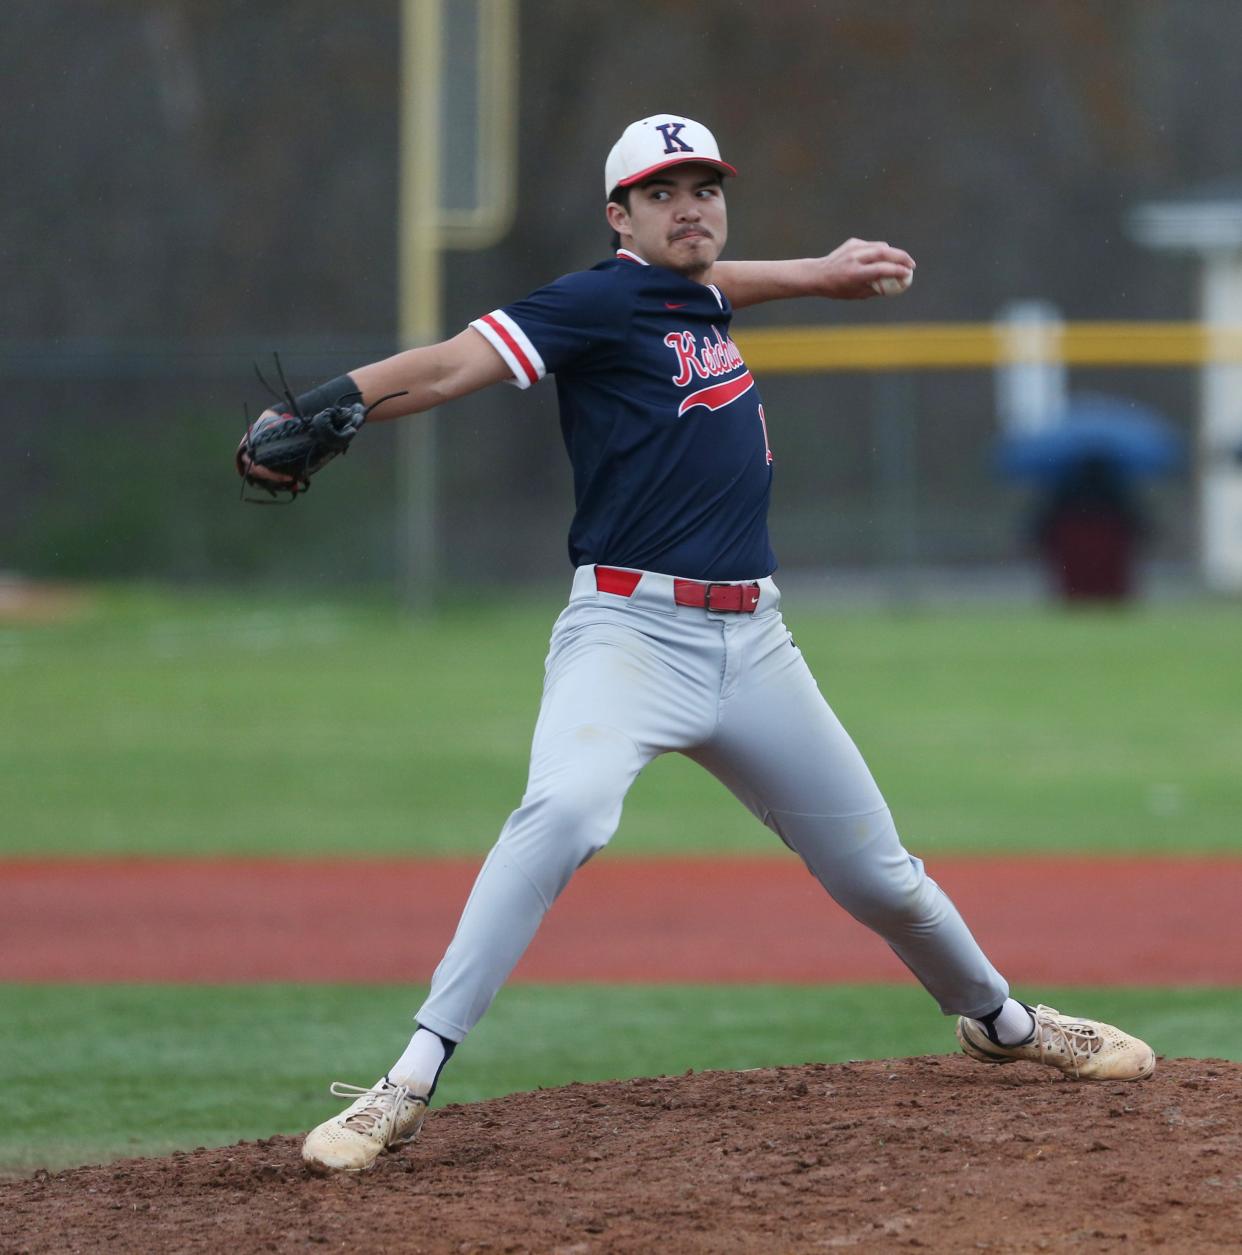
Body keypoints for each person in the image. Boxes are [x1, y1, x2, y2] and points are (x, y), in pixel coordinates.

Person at [238, 114, 1155, 1175]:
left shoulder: (696, 292)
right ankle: (405, 1079)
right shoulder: (593, 298)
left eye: (707, 186)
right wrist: (323, 407)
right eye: (665, 191)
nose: (693, 205)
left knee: (883, 878)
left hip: (757, 643)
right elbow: (451, 366)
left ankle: (1003, 1024)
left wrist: (818, 274)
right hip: (629, 635)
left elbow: (723, 285)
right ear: (619, 217)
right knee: (567, 810)